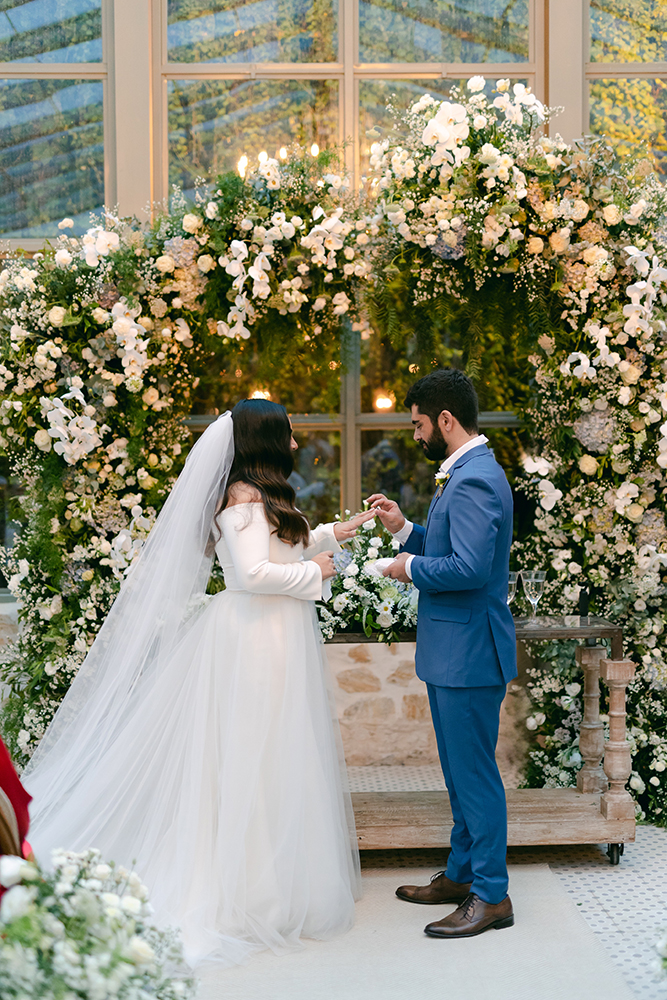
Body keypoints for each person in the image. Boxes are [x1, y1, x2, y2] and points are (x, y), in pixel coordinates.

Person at [24, 399, 373, 967]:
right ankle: (248, 893)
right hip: (253, 639)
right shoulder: (240, 500)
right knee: (251, 757)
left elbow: (282, 547)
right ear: (265, 441)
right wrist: (316, 573)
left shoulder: (266, 498)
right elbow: (253, 575)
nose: (295, 442)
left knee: (278, 756)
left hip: (277, 634)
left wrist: (335, 533)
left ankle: (280, 883)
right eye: (287, 433)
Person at [367, 368, 517, 939]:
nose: (414, 434)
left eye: (418, 424)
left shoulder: (476, 478)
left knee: (474, 775)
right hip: (454, 650)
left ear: (446, 421)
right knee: (458, 773)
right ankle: (460, 874)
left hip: (470, 652)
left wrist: (406, 568)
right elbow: (452, 547)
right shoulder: (465, 473)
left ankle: (492, 895)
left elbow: (471, 569)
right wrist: (405, 530)